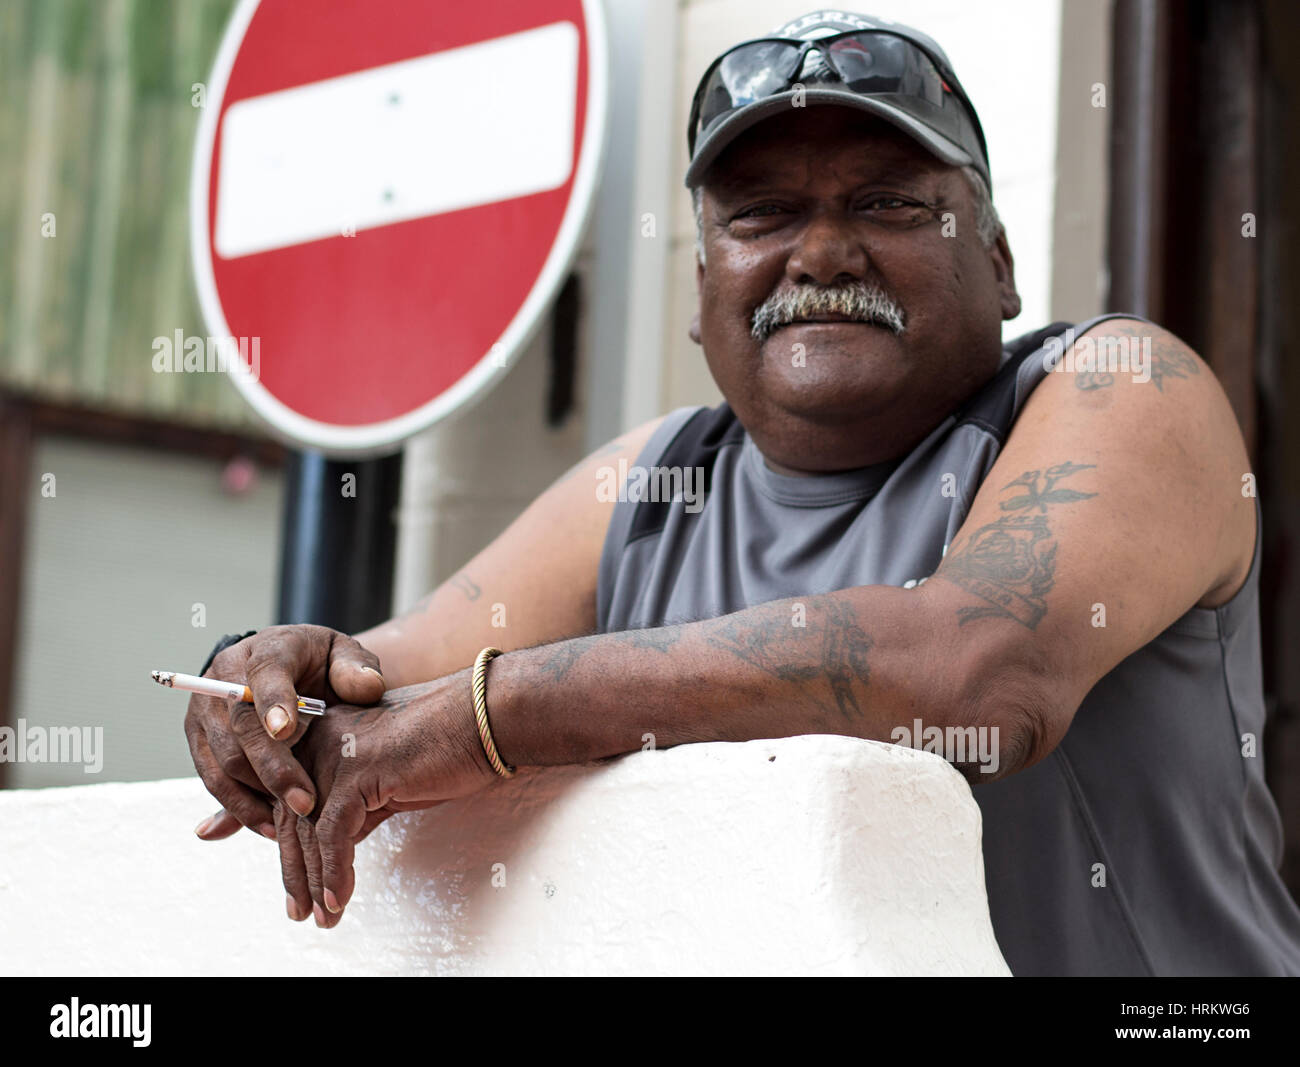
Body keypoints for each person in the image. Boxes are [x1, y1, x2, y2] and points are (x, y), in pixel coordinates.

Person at [184, 10, 1300, 975]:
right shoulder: (653, 483)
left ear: (1000, 261)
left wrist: (497, 715)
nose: (821, 253)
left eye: (886, 203)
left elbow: (980, 673)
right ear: (700, 286)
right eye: (760, 215)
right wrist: (262, 687)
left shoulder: (1119, 383)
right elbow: (373, 692)